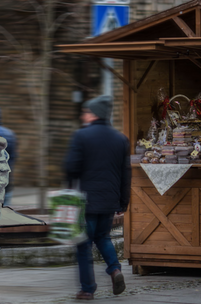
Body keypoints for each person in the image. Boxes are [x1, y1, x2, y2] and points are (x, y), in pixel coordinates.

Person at [64, 95, 131, 300]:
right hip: (109, 201)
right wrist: (123, 202)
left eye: (86, 111)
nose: (83, 115)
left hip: (86, 202)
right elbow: (125, 174)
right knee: (103, 237)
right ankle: (115, 270)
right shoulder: (121, 139)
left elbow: (71, 167)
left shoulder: (81, 136)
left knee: (83, 244)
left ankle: (87, 288)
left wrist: (69, 185)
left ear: (94, 114)